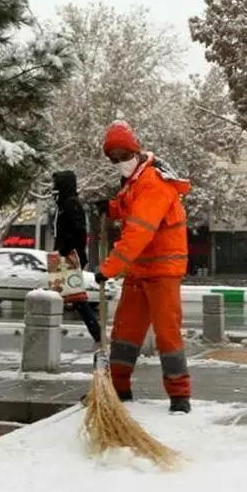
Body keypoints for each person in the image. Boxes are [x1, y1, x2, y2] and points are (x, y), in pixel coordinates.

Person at [95, 120, 193, 414]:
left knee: (167, 335)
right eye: (114, 159)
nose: (120, 163)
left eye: (124, 156)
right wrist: (111, 208)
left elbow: (139, 230)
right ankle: (119, 389)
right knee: (125, 332)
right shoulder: (134, 183)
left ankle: (179, 397)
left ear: (136, 152)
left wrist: (109, 268)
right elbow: (132, 210)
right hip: (139, 271)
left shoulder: (152, 183)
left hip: (162, 271)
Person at [51, 169, 102, 345]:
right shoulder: (63, 203)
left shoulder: (71, 204)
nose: (53, 188)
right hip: (64, 255)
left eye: (56, 184)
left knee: (75, 298)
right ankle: (96, 332)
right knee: (70, 297)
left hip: (69, 257)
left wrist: (65, 250)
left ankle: (97, 333)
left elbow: (78, 231)